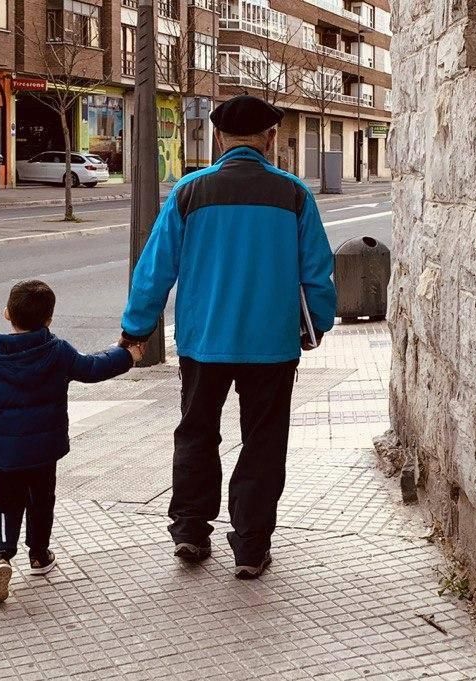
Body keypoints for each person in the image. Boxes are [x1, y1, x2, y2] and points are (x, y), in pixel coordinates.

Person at [120, 95, 337, 580]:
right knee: (263, 441)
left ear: (219, 138)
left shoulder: (189, 192)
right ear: (270, 138)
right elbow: (318, 273)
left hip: (204, 341)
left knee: (197, 431)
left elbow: (154, 269)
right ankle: (251, 546)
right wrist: (317, 324)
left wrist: (137, 328)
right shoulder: (294, 194)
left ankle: (192, 531)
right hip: (271, 345)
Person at [0, 279, 136, 603]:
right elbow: (93, 368)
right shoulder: (57, 352)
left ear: (7, 313)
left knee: (1, 504)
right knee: (42, 500)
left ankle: (0, 556)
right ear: (49, 319)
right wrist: (126, 356)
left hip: (6, 456)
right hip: (44, 452)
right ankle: (39, 554)